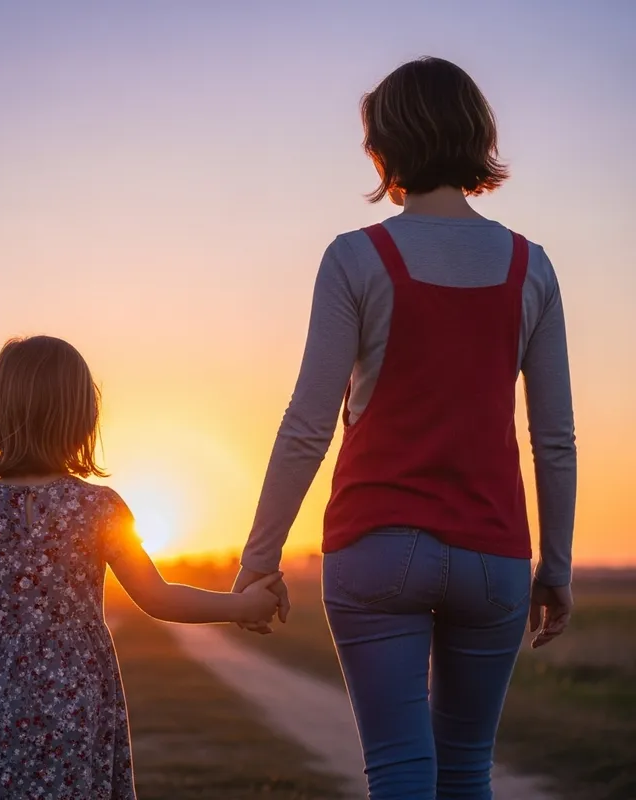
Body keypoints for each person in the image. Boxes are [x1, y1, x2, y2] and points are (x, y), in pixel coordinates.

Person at [233, 57, 576, 799]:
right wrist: (556, 565)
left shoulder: (356, 258)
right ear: (476, 136)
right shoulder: (534, 269)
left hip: (375, 545)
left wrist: (259, 558)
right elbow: (554, 440)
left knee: (400, 772)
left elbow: (307, 426)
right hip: (494, 555)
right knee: (465, 772)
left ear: (385, 146)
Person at [0, 335, 282, 800]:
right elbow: (157, 597)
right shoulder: (99, 508)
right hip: (78, 691)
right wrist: (241, 605)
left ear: (0, 414)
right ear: (80, 418)